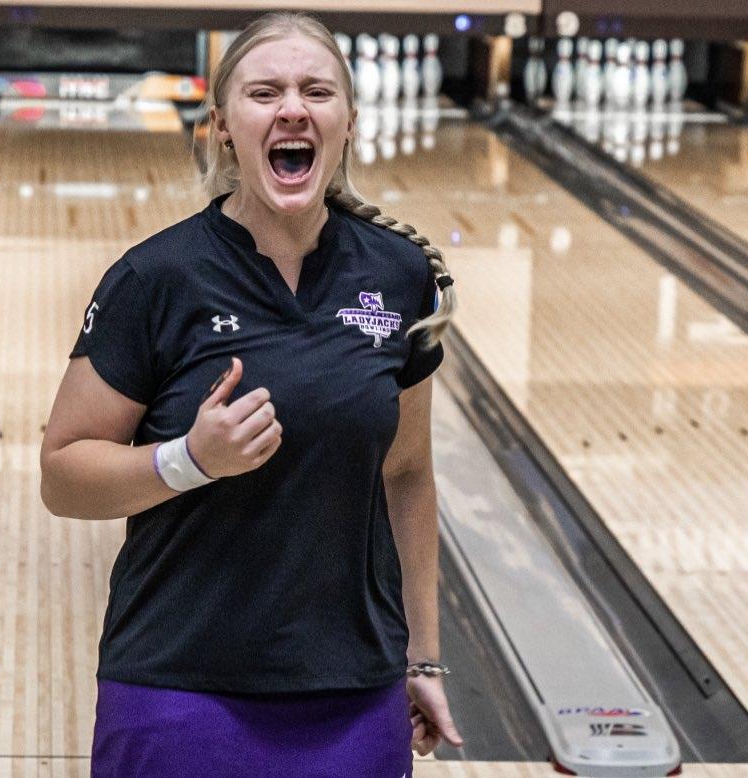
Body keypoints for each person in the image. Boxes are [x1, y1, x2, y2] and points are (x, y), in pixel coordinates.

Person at [40, 11, 462, 776]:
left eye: (316, 91)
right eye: (265, 92)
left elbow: (406, 473)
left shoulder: (398, 276)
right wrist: (188, 460)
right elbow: (63, 474)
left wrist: (423, 660)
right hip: (177, 690)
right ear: (224, 127)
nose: (292, 108)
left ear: (349, 122)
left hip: (352, 692)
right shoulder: (155, 279)